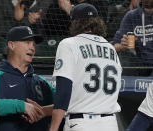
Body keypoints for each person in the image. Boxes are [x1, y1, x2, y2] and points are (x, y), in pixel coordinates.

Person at [49, 3, 122, 131]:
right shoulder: (111, 48)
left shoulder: (69, 44)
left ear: (75, 22)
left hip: (81, 124)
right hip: (110, 124)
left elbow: (64, 93)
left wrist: (53, 128)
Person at [0, 26, 55, 131]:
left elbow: (69, 103)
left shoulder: (41, 82)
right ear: (11, 45)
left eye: (33, 44)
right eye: (27, 42)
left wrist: (44, 111)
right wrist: (21, 106)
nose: (32, 48)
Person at [112, 0, 153, 76]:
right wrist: (122, 45)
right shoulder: (131, 16)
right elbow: (114, 46)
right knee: (124, 57)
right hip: (138, 64)